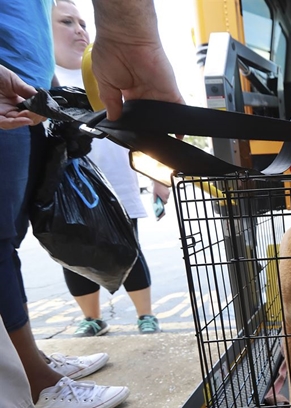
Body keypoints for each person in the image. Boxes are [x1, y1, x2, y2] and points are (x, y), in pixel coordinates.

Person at [0, 0, 183, 408]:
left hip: (16, 99)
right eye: (68, 22)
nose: (78, 30)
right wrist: (131, 29)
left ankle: (29, 369)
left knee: (5, 244)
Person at [0, 0, 131, 408]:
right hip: (7, 96)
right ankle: (38, 384)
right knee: (0, 242)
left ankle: (27, 359)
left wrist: (53, 94)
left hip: (26, 96)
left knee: (11, 238)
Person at [52, 0, 168, 337]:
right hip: (67, 186)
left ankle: (145, 315)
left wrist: (159, 179)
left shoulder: (101, 67)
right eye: (67, 22)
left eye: (83, 23)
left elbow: (139, 132)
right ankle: (92, 318)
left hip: (116, 183)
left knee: (127, 248)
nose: (79, 30)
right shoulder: (44, 77)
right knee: (73, 252)